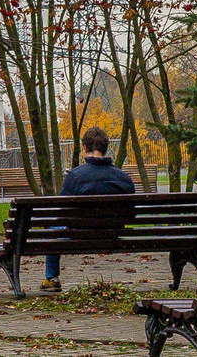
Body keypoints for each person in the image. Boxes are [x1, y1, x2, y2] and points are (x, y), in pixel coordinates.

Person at [41, 126, 135, 293]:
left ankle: (52, 278)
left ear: (85, 147)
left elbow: (62, 212)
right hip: (112, 232)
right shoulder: (123, 177)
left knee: (52, 227)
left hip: (79, 233)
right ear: (105, 149)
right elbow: (131, 213)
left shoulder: (75, 176)